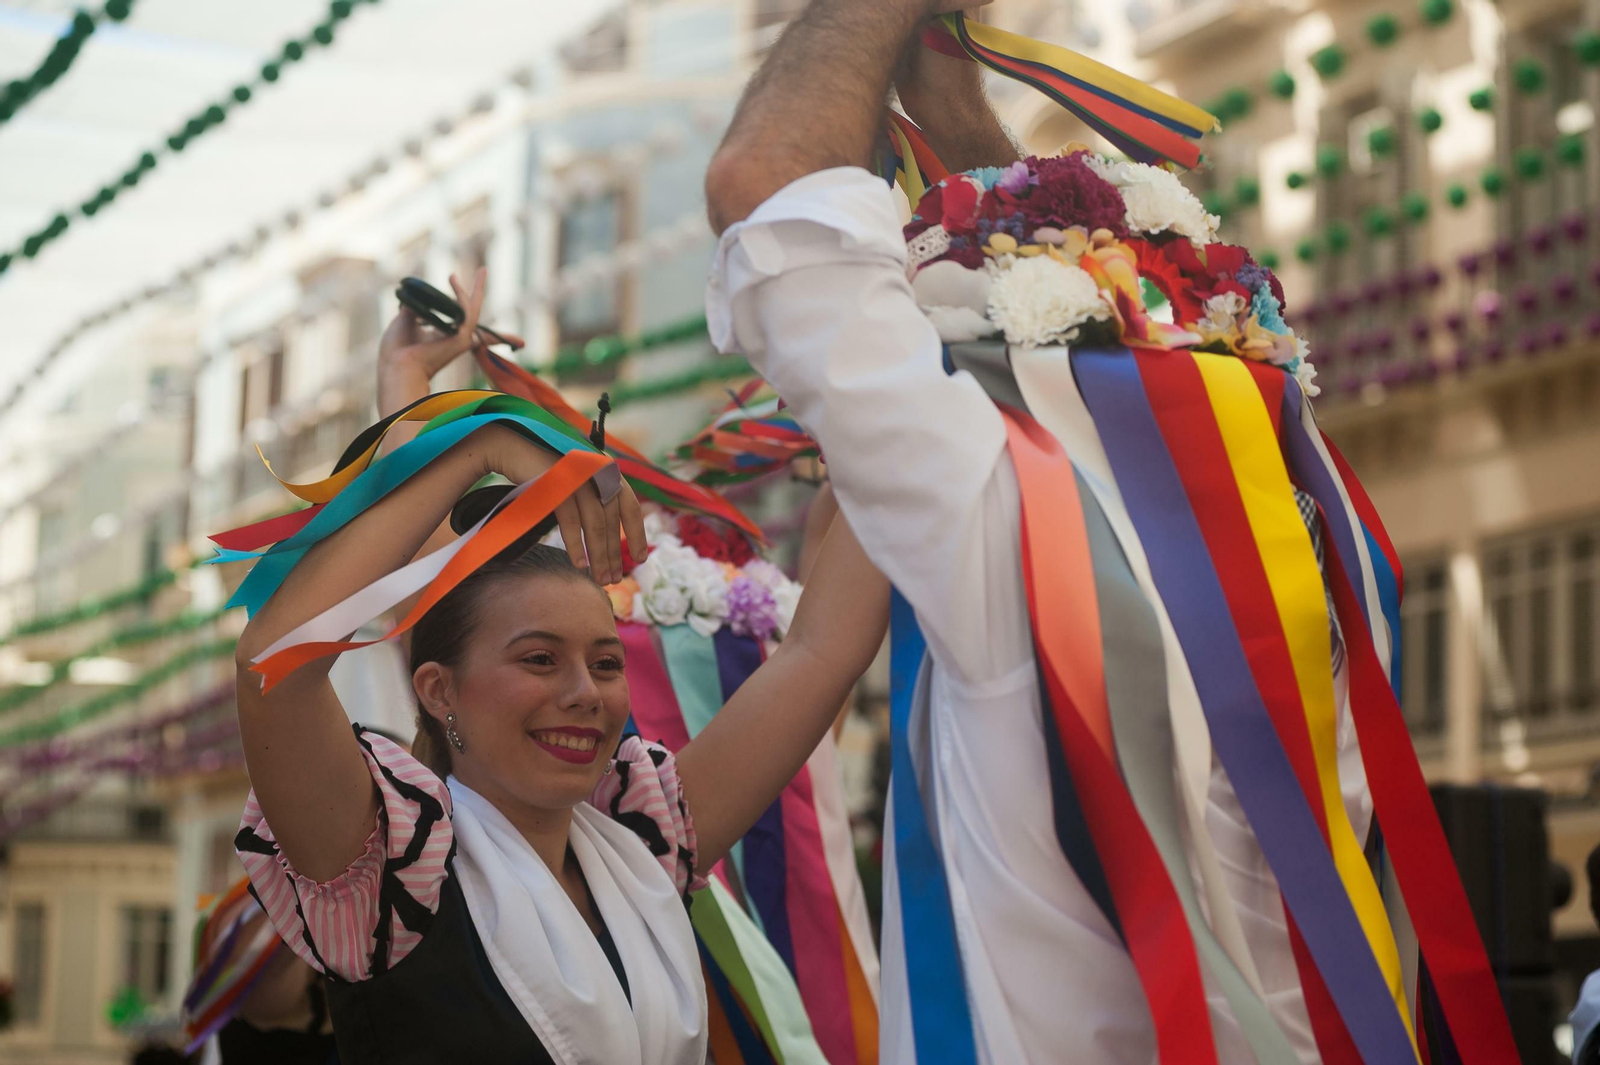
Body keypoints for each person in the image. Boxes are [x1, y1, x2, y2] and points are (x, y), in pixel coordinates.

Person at [701, 3, 1391, 1062]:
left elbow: (765, 181)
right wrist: (947, 87)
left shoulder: (1009, 539)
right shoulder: (1317, 578)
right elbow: (1052, 331)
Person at [229, 271, 891, 1063]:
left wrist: (914, 353)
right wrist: (479, 439)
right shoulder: (384, 866)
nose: (585, 693)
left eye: (606, 661)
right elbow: (275, 661)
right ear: (438, 690)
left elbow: (822, 647)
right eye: (540, 659)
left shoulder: (639, 842)